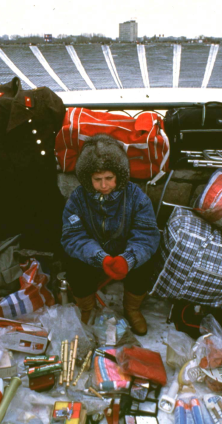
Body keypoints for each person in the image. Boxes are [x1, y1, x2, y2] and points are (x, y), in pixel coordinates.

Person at [61, 134, 160, 335]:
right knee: (71, 260)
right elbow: (73, 236)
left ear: (119, 176)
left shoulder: (136, 197)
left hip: (125, 255)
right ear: (88, 178)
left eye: (109, 178)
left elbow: (146, 235)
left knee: (147, 260)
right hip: (95, 257)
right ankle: (87, 308)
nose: (104, 186)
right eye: (97, 180)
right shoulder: (77, 199)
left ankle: (132, 308)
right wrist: (101, 258)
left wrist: (128, 259)